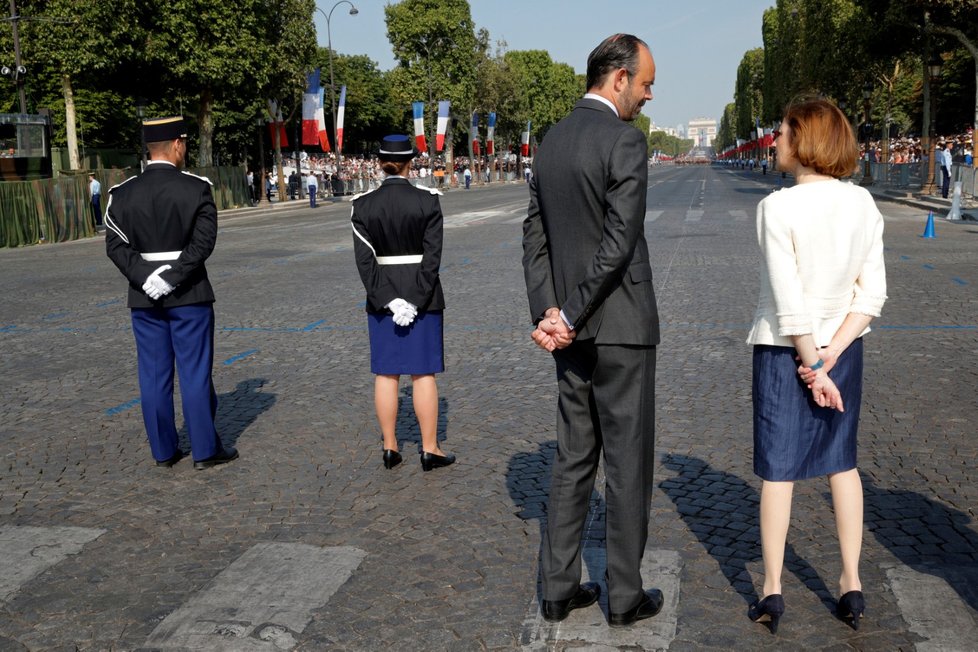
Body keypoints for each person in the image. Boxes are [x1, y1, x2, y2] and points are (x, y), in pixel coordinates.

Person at [522, 33, 663, 627]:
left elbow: (535, 234)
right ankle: (623, 597)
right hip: (621, 327)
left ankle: (557, 589)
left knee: (573, 455)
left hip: (568, 332)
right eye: (647, 83)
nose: (649, 97)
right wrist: (572, 314)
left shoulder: (550, 140)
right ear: (619, 78)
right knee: (627, 464)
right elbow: (618, 244)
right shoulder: (624, 142)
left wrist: (548, 313)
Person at [746, 98, 886, 634]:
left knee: (778, 472)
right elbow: (872, 294)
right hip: (842, 351)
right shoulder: (864, 204)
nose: (775, 140)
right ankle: (851, 582)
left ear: (805, 140)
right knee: (841, 463)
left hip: (786, 354)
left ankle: (773, 588)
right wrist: (831, 357)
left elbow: (788, 303)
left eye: (782, 132)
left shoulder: (776, 208)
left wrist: (811, 366)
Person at [105, 116, 238, 471]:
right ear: (177, 145)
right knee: (194, 373)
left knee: (152, 375)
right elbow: (203, 243)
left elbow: (115, 246)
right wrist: (173, 276)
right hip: (189, 293)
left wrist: (147, 276)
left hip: (144, 295)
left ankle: (164, 452)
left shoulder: (123, 193)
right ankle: (205, 450)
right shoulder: (196, 188)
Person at [351, 134, 455, 473]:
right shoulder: (427, 201)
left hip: (382, 300)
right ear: (411, 162)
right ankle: (429, 448)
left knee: (386, 373)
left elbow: (365, 264)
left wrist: (390, 301)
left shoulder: (362, 205)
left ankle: (391, 447)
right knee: (423, 374)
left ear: (380, 164)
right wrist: (414, 300)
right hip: (423, 299)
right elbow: (432, 259)